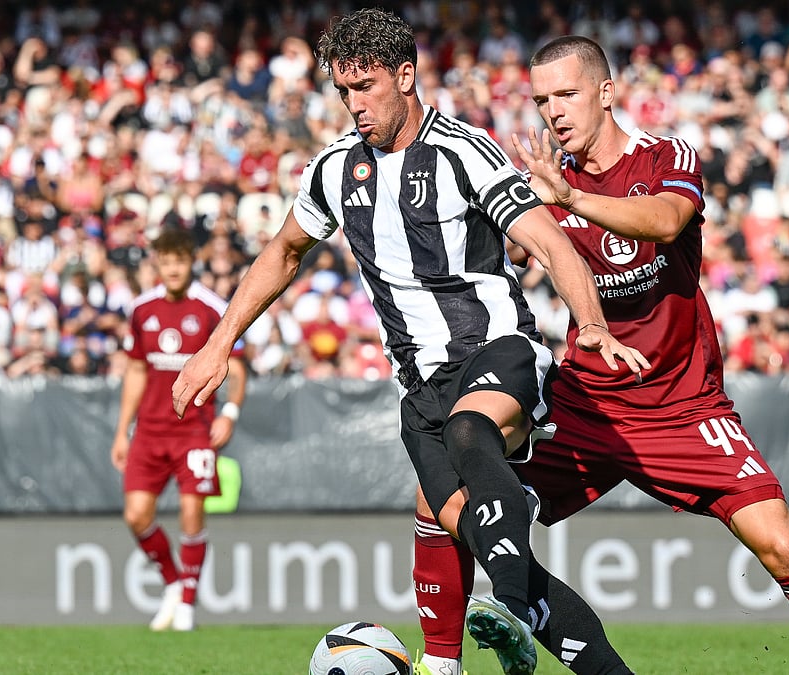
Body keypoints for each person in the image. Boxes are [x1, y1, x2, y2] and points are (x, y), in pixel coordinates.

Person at [173, 10, 646, 675]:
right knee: (462, 523)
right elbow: (284, 251)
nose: (354, 104)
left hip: (497, 349)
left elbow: (547, 240)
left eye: (365, 86)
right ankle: (491, 653)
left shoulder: (463, 152)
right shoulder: (335, 168)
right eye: (343, 90)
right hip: (420, 386)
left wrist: (591, 322)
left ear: (404, 76)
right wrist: (218, 343)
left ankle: (502, 608)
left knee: (470, 432)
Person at [411, 36, 789, 675]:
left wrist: (570, 200)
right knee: (441, 503)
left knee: (783, 548)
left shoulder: (665, 156)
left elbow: (663, 220)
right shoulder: (545, 182)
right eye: (542, 101)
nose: (554, 112)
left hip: (684, 407)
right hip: (586, 406)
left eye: (567, 94)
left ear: (606, 93)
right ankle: (448, 662)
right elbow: (506, 255)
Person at [109, 228, 247, 632]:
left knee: (191, 512)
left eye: (179, 261)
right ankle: (173, 583)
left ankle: (186, 604)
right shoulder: (141, 309)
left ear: (191, 263)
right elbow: (136, 370)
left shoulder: (212, 308)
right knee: (136, 516)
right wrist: (122, 430)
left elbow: (237, 367)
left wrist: (229, 413)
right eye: (166, 262)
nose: (172, 269)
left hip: (194, 432)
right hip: (149, 432)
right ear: (157, 263)